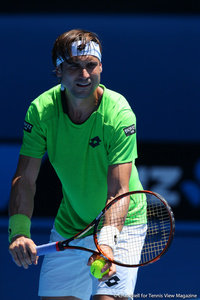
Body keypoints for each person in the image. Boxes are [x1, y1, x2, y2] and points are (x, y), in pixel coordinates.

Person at [8, 29, 144, 300]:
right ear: (58, 70)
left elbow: (119, 190)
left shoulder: (118, 113)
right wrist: (19, 232)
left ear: (101, 67)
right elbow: (25, 178)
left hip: (121, 225)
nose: (84, 75)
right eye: (74, 66)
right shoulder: (41, 111)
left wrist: (106, 242)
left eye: (91, 65)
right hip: (72, 224)